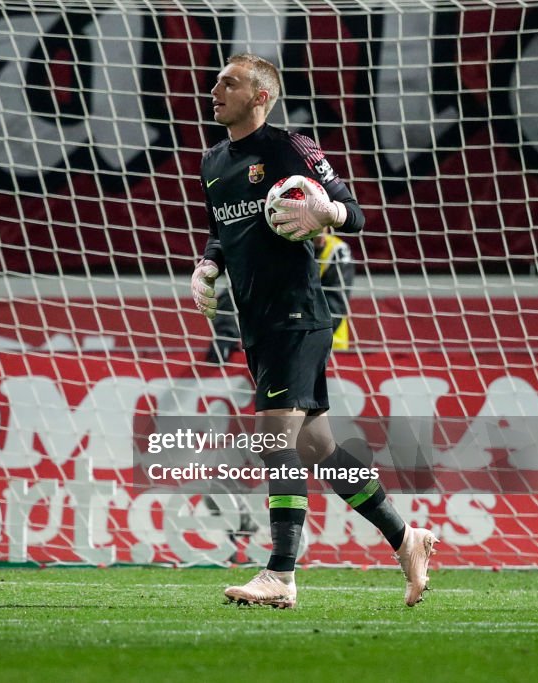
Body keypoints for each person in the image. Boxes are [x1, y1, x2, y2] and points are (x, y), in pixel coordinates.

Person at [191, 54, 437, 608]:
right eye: (215, 82)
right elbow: (220, 230)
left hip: (297, 313)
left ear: (261, 96)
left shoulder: (289, 147)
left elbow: (354, 211)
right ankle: (406, 538)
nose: (215, 89)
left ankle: (280, 573)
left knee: (274, 439)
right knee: (319, 447)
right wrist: (208, 265)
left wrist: (325, 214)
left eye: (229, 82)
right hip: (257, 321)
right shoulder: (212, 162)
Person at [207, 227, 354, 364]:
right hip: (272, 351)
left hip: (330, 353)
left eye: (324, 227)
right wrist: (225, 334)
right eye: (314, 228)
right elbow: (236, 292)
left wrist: (290, 334)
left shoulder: (337, 251)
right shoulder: (273, 250)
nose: (321, 236)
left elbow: (334, 307)